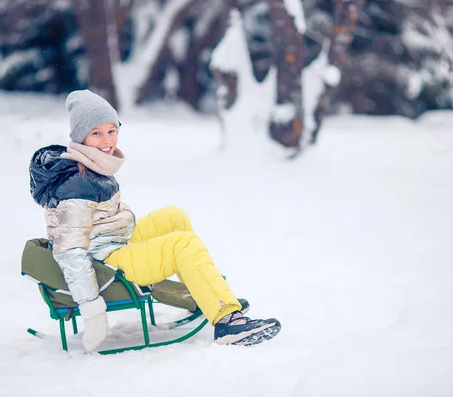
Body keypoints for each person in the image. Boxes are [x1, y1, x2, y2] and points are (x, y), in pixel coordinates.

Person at [29, 89, 281, 352]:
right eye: (96, 133)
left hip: (110, 243)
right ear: (81, 137)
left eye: (111, 130)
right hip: (106, 264)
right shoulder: (76, 185)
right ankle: (227, 321)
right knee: (183, 244)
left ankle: (205, 293)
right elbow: (69, 251)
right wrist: (91, 308)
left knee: (174, 217)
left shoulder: (90, 165)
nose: (107, 140)